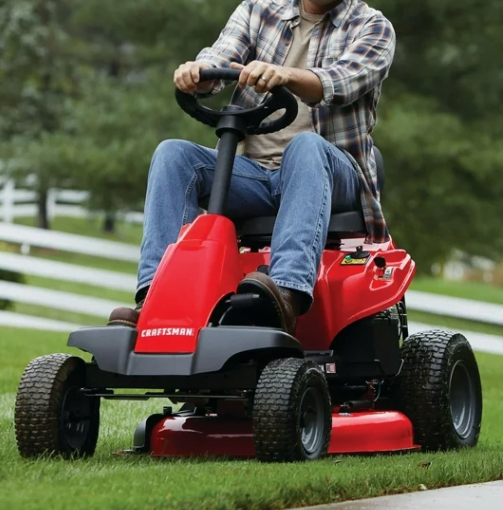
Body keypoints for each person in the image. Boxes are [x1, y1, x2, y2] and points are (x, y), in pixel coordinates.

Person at [109, 0, 396, 335]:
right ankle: (155, 297)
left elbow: (339, 82)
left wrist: (285, 75)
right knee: (173, 154)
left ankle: (286, 294)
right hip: (255, 175)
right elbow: (221, 56)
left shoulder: (372, 27)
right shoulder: (258, 10)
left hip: (334, 174)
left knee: (305, 147)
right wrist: (198, 75)